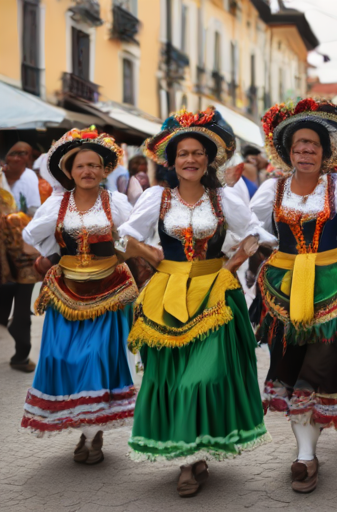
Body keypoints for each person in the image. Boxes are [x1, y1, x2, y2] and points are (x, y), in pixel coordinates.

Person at [117, 108, 274, 497]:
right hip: (167, 296)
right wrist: (154, 258)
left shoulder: (225, 198)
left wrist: (234, 263)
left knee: (201, 378)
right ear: (171, 161)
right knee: (171, 378)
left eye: (197, 153)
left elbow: (255, 234)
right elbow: (125, 237)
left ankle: (194, 454)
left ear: (210, 160)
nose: (190, 159)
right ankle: (190, 459)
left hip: (216, 294)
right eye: (182, 153)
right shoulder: (157, 198)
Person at [250, 98, 337, 493]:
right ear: (288, 151)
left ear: (326, 154)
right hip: (282, 288)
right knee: (288, 366)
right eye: (299, 145)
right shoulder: (273, 188)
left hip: (331, 286)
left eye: (313, 146)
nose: (305, 151)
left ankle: (305, 456)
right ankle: (306, 451)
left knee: (318, 369)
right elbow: (253, 233)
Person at [21, 128, 139, 464]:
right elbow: (30, 239)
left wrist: (117, 256)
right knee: (64, 359)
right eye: (80, 166)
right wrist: (50, 259)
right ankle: (86, 428)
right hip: (66, 291)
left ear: (104, 170)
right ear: (69, 172)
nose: (87, 171)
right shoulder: (56, 204)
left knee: (96, 360)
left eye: (94, 165)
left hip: (110, 291)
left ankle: (92, 435)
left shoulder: (116, 202)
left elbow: (133, 240)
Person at [0, 142, 42, 372]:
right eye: (13, 153)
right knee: (4, 299)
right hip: (1, 251)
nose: (19, 157)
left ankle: (21, 354)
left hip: (24, 248)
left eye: (24, 153)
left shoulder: (30, 178)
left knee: (23, 300)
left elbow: (35, 211)